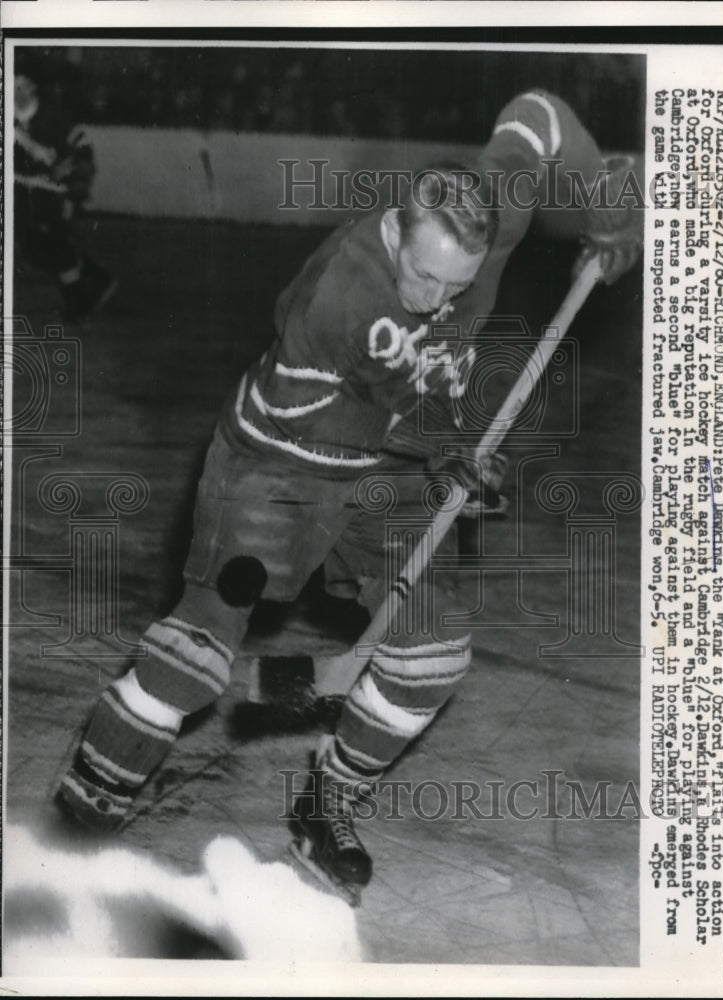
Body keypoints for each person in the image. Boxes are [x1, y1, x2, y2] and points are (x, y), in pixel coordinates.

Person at [57, 90, 642, 896]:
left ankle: (325, 807)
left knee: (430, 653)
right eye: (426, 278)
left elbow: (538, 117)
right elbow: (337, 431)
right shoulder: (335, 297)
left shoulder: (487, 211)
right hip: (276, 468)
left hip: (382, 469)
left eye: (458, 285)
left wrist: (610, 213)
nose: (438, 302)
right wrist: (448, 453)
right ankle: (93, 787)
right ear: (397, 229)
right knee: (201, 649)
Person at [14, 69, 117, 321]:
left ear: (33, 87)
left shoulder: (52, 115)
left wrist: (77, 172)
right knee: (32, 249)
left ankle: (78, 300)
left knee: (52, 244)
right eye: (12, 84)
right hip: (26, 189)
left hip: (54, 191)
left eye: (23, 84)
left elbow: (82, 145)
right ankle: (97, 277)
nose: (17, 90)